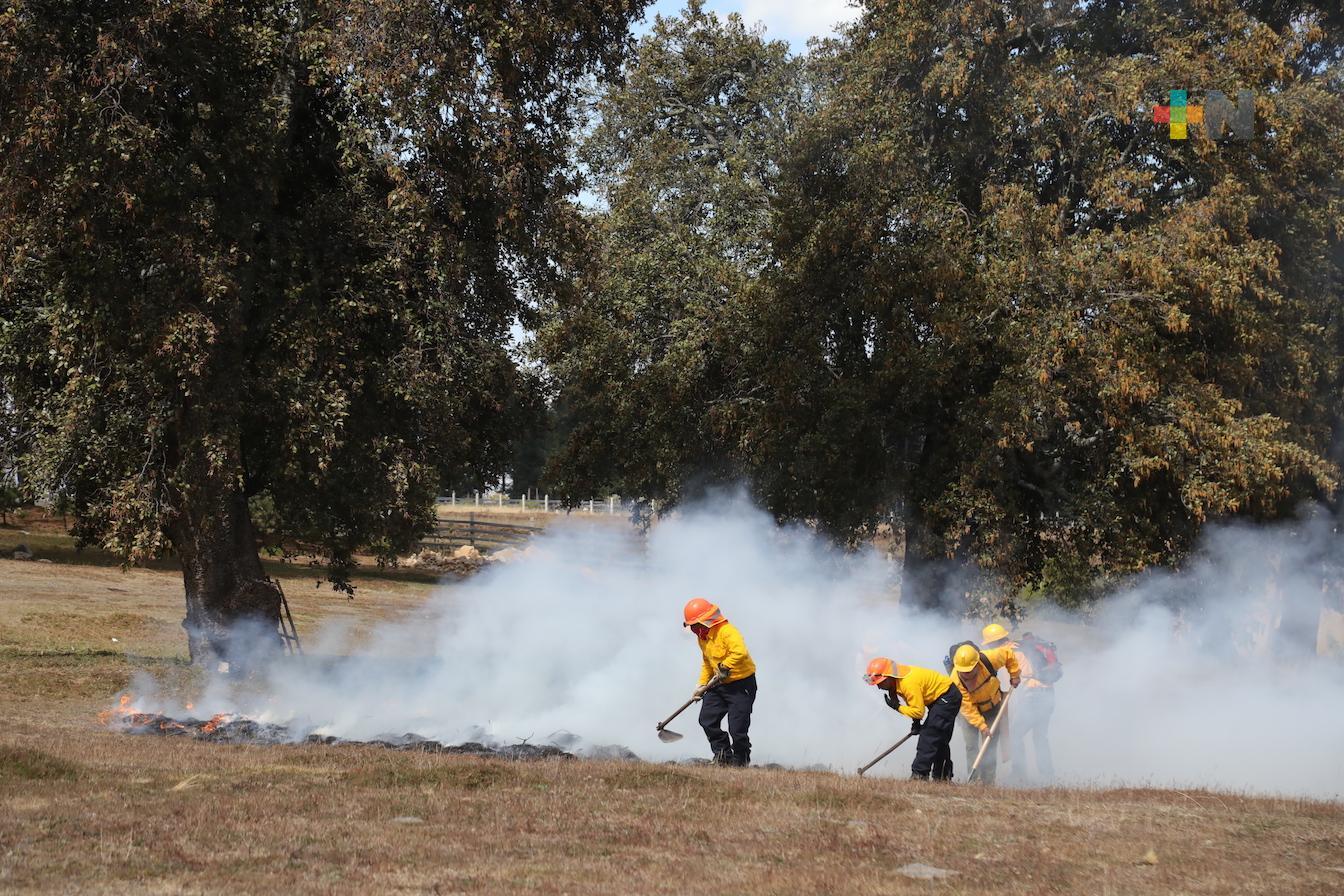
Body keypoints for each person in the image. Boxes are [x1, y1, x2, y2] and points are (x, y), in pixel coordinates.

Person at [982, 623, 1060, 782]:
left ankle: (1019, 774)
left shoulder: (1009, 652)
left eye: (989, 643)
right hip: (1047, 694)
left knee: (1015, 734)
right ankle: (1047, 775)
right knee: (1040, 737)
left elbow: (1020, 677)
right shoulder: (1019, 647)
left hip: (1033, 696)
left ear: (994, 642)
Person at [683, 597, 757, 766]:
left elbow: (740, 652)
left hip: (741, 685)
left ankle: (740, 761)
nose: (694, 629)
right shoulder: (703, 637)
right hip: (718, 684)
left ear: (705, 620)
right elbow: (707, 663)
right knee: (707, 720)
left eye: (695, 625)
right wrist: (700, 685)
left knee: (737, 729)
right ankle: (722, 756)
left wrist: (725, 666)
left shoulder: (727, 631)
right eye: (692, 626)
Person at [863, 657, 962, 780]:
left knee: (929, 735)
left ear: (889, 677)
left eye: (880, 683)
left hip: (947, 697)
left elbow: (918, 712)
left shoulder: (907, 683)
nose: (879, 687)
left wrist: (897, 707)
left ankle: (919, 775)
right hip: (939, 699)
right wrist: (916, 723)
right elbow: (913, 702)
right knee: (939, 739)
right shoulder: (897, 681)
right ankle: (942, 777)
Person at [947, 639, 1020, 784]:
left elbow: (1009, 655)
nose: (967, 676)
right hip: (970, 714)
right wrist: (982, 726)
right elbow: (967, 708)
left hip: (992, 708)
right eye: (963, 672)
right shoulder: (955, 679)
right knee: (971, 745)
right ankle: (974, 781)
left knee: (990, 746)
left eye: (970, 672)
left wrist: (1015, 674)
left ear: (977, 664)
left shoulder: (989, 658)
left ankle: (988, 782)